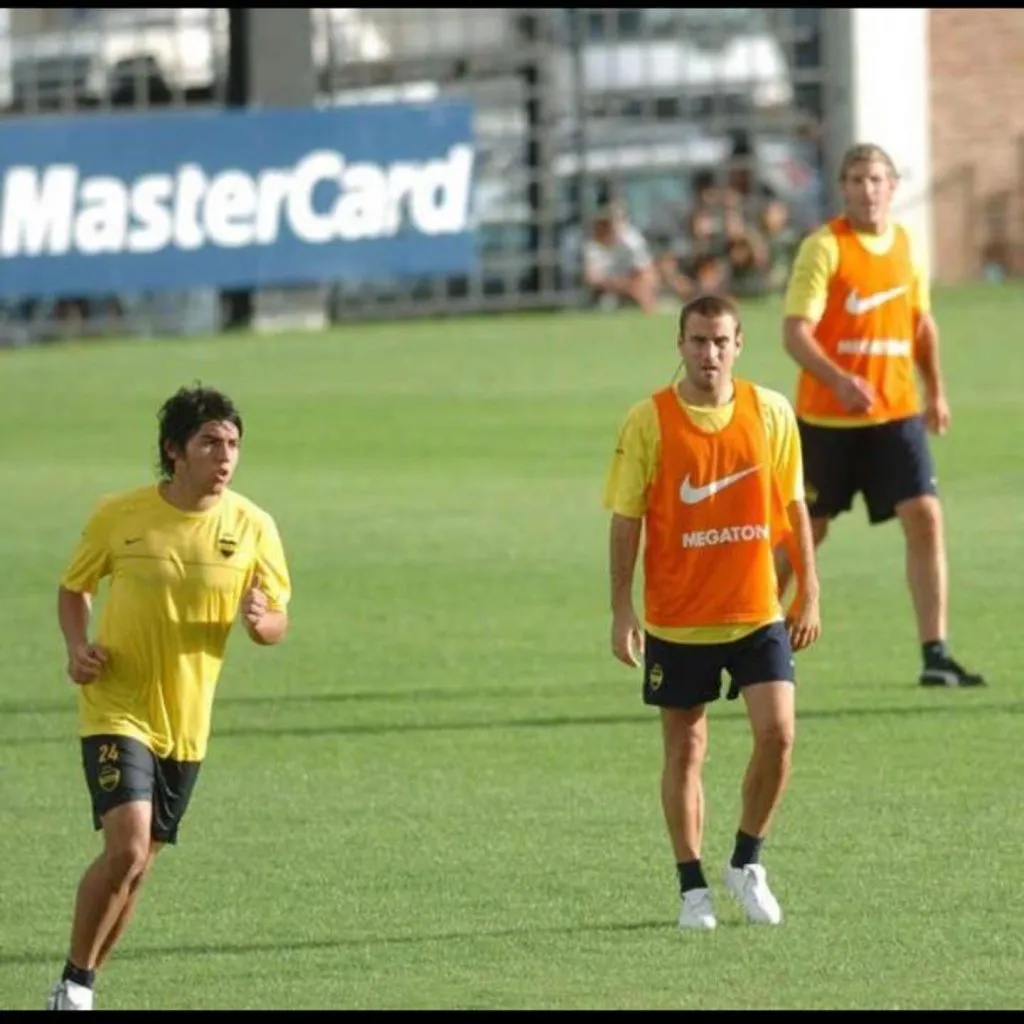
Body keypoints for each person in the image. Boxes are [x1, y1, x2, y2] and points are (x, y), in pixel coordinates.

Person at [48, 384, 292, 1010]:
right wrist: (77, 648)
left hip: (186, 723)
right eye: (210, 442)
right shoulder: (119, 517)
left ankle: (82, 981)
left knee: (138, 868)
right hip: (115, 705)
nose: (225, 455)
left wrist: (261, 620)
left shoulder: (253, 526)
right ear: (174, 451)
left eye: (233, 443)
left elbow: (276, 623)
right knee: (125, 847)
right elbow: (75, 589)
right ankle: (74, 986)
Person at [603, 293, 821, 931]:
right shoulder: (649, 421)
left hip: (757, 611)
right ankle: (691, 887)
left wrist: (809, 589)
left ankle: (746, 862)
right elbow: (626, 521)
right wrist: (622, 609)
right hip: (678, 619)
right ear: (680, 344)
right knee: (685, 751)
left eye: (721, 341)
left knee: (779, 734)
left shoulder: (771, 412)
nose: (709, 354)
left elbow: (794, 508)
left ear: (739, 345)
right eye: (698, 341)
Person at [775, 142, 984, 688]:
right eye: (856, 180)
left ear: (893, 187)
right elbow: (796, 333)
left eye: (876, 180)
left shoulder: (909, 248)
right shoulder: (825, 248)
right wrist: (838, 380)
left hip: (897, 417)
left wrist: (935, 390)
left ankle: (935, 653)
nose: (867, 190)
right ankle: (751, 638)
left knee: (925, 516)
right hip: (829, 420)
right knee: (805, 533)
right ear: (842, 188)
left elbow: (921, 325)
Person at [581, 201, 659, 313]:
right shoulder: (592, 244)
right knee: (606, 304)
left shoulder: (633, 241)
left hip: (633, 286)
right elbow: (592, 279)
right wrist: (623, 286)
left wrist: (636, 290)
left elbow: (648, 274)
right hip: (609, 291)